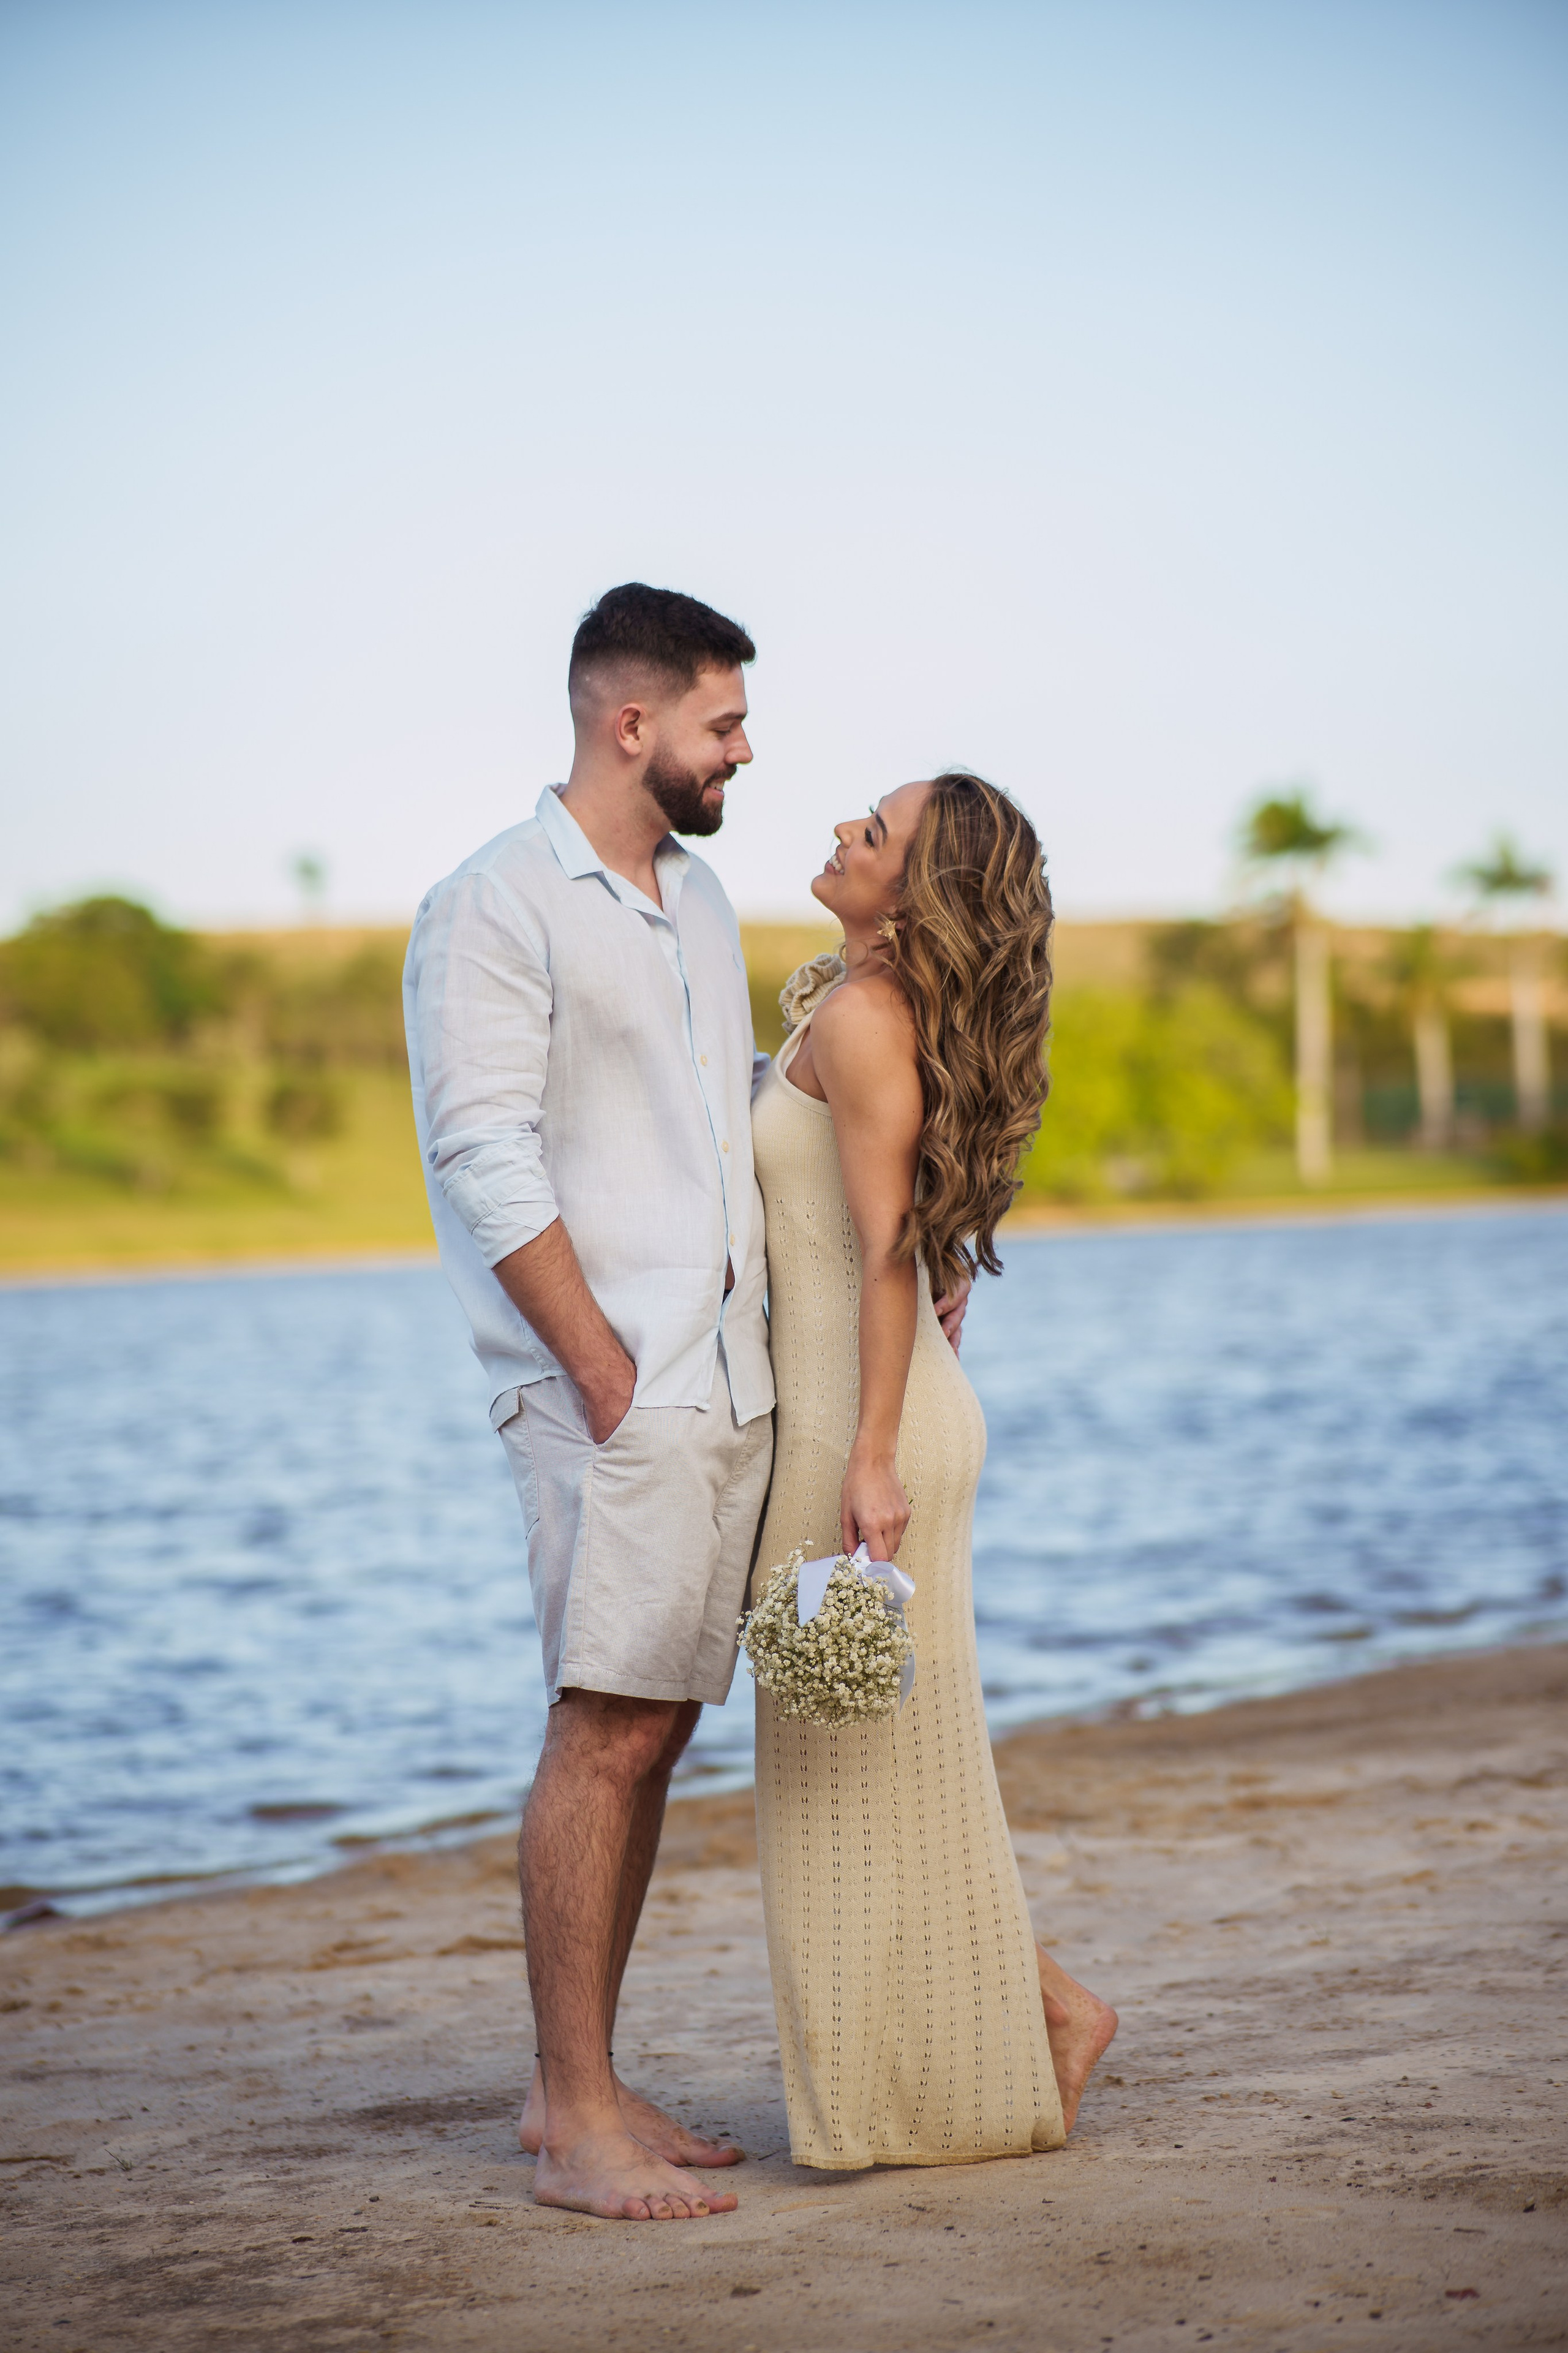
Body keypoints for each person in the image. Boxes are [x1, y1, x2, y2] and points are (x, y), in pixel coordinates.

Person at [404, 583, 775, 2222]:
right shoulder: (490, 906)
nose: (743, 752)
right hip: (602, 1396)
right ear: (634, 723)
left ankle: (594, 2083)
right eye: (724, 723)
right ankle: (571, 2114)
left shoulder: (698, 903)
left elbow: (725, 1119)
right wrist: (602, 1369)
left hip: (726, 1386)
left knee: (656, 1728)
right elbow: (482, 1155)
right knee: (600, 1729)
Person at [751, 771, 1118, 2170]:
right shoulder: (853, 1001)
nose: (845, 829)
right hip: (862, 1414)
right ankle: (1047, 2013)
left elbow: (889, 1246)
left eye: (877, 833)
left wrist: (870, 1453)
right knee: (880, 1771)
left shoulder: (859, 1019)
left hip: (867, 1429)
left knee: (838, 1780)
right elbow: (912, 1214)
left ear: (916, 895)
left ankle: (933, 2085)